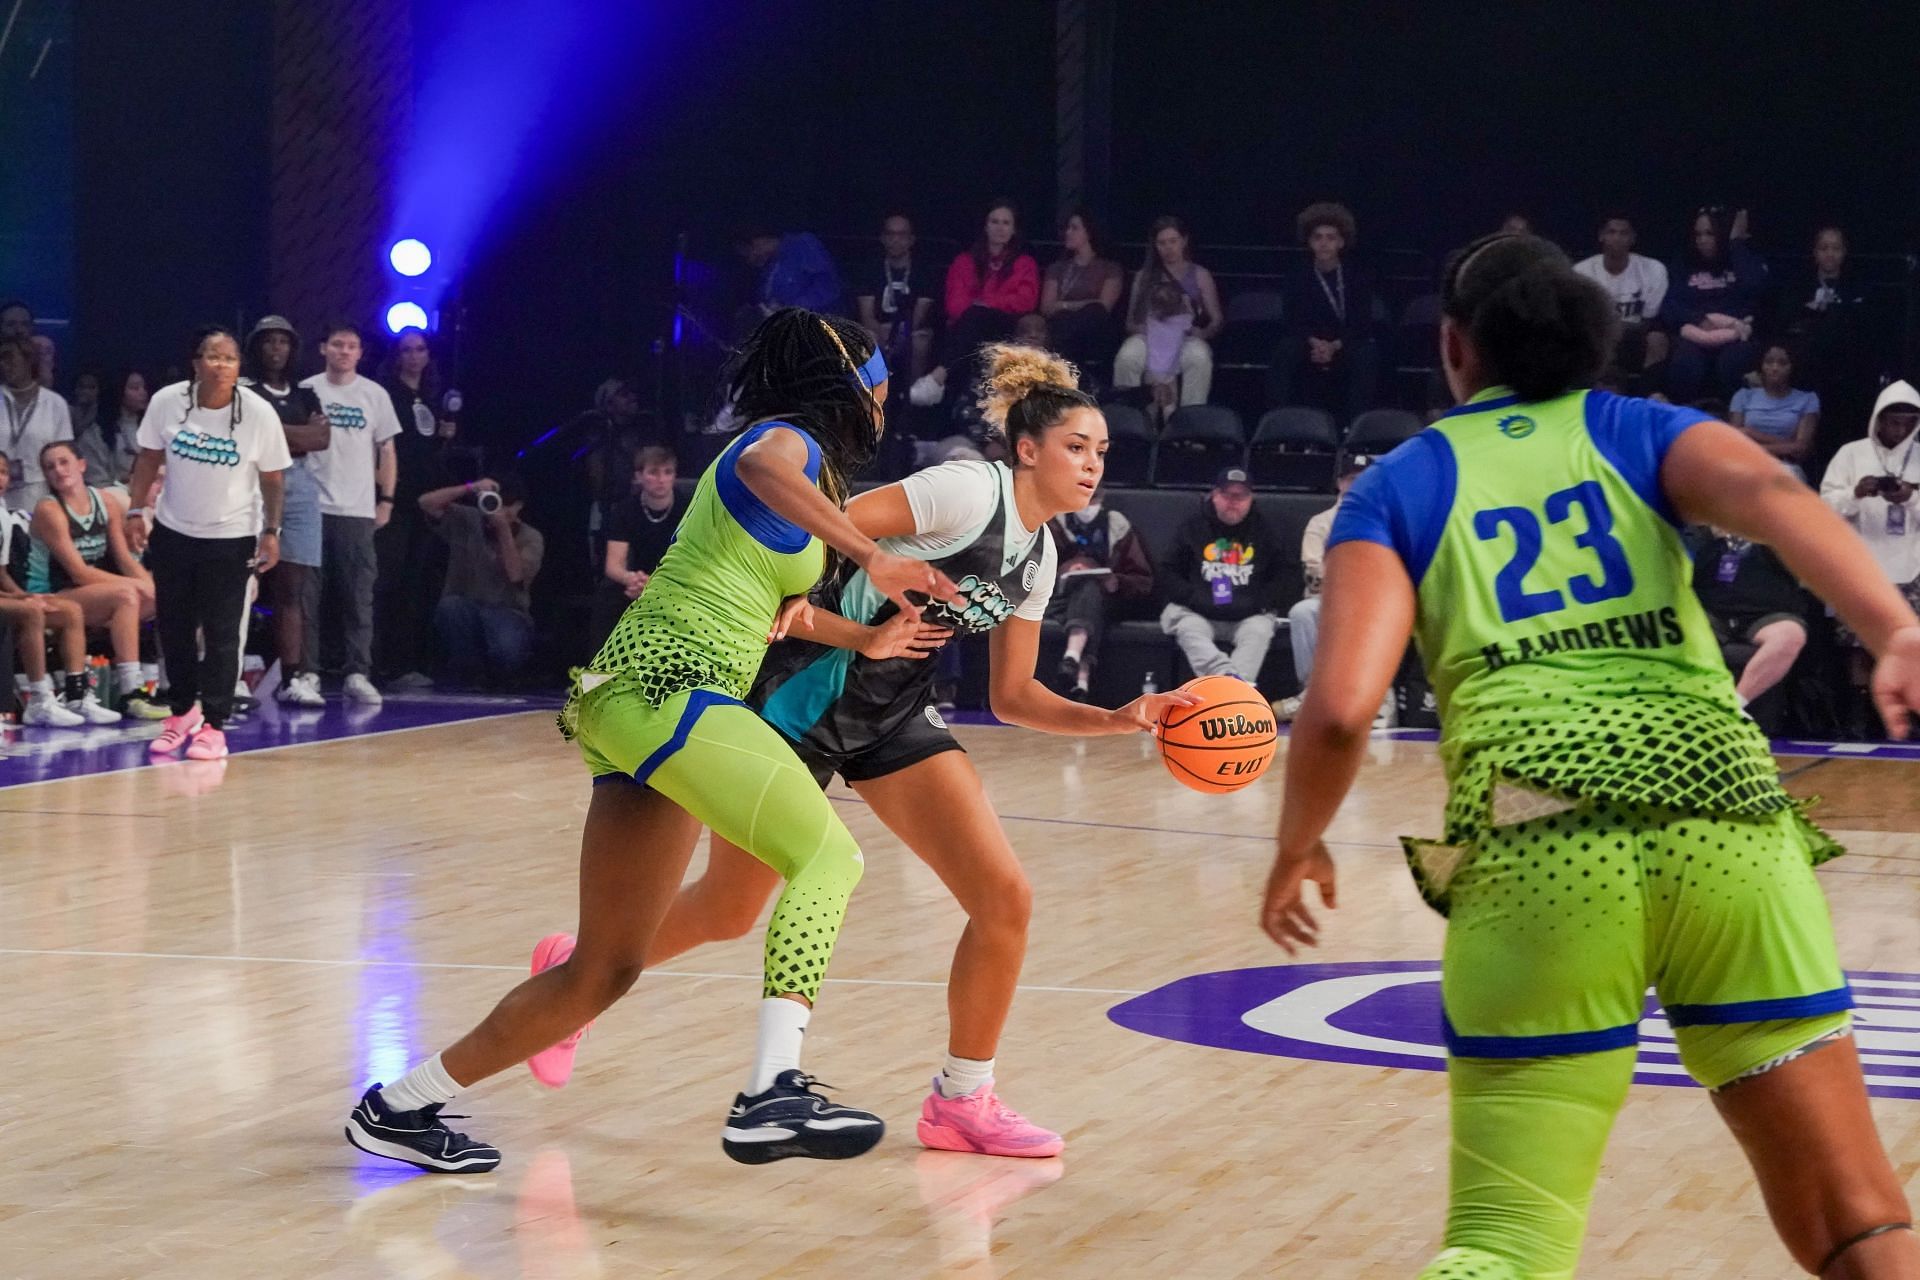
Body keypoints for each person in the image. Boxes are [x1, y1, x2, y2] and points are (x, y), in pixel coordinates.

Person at [1261, 231, 1920, 1278]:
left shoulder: (1399, 483)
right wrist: (1897, 631)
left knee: (1504, 1243)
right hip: (1729, 822)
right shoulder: (1646, 429)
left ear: (1453, 346)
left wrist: (1296, 846)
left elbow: (1341, 709)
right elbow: (1784, 503)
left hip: (1540, 826)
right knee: (1860, 1221)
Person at [523, 343, 1199, 1160]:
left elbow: (1013, 697)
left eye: (1101, 453)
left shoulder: (1042, 558)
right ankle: (575, 975)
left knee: (1004, 899)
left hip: (891, 715)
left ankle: (962, 1100)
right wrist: (795, 603)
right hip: (796, 700)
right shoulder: (962, 490)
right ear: (1028, 450)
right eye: (1076, 448)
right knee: (731, 910)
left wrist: (1121, 718)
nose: (1092, 465)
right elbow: (826, 523)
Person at [344, 308, 963, 1175]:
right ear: (851, 388)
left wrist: (864, 638)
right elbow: (759, 464)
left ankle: (396, 1107)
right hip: (670, 684)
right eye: (883, 385)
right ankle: (770, 1090)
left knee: (604, 970)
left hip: (637, 700)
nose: (890, 400)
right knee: (830, 861)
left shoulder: (800, 482)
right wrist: (870, 554)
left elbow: (778, 610)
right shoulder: (786, 442)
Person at [124, 327, 290, 762]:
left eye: (230, 358)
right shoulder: (166, 402)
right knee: (174, 628)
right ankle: (180, 713)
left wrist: (271, 531)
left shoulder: (257, 413)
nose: (221, 365)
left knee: (220, 633)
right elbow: (147, 458)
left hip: (230, 536)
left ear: (239, 367)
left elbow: (273, 478)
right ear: (196, 363)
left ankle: (214, 725)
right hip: (175, 530)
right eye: (212, 357)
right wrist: (134, 510)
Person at [300, 323, 400, 705]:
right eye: (337, 344)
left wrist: (386, 499)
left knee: (358, 595)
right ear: (324, 348)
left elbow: (387, 451)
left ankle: (358, 671)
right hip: (310, 506)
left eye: (352, 346)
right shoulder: (307, 390)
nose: (344, 351)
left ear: (360, 353)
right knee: (307, 594)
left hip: (357, 509)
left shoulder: (374, 395)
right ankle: (305, 672)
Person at [27, 441, 162, 720]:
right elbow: (79, 572)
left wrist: (152, 587)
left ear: (82, 465)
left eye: (64, 462)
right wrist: (135, 586)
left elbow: (124, 559)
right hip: (51, 594)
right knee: (126, 596)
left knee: (162, 597)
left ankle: (171, 682)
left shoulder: (105, 501)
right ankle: (131, 691)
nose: (58, 470)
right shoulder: (49, 510)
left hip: (91, 594)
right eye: (50, 467)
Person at [240, 316, 331, 709]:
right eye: (268, 342)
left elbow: (322, 438)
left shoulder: (307, 394)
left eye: (283, 342)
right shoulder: (245, 391)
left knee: (293, 589)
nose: (276, 349)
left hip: (300, 485)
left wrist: (276, 429)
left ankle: (293, 676)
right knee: (242, 585)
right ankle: (231, 675)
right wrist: (296, 435)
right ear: (257, 348)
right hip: (254, 481)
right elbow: (253, 437)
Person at [1819, 381, 1920, 728]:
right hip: (1861, 566)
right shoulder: (1851, 453)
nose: (1901, 429)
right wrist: (1856, 493)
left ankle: (1908, 720)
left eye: (1909, 422)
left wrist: (1909, 497)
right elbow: (1823, 508)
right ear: (1879, 419)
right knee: (1858, 646)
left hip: (1912, 565)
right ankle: (1858, 719)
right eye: (1894, 421)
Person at [1273, 454, 1390, 729]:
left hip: (1371, 600)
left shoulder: (1385, 520)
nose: (1358, 484)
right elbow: (1313, 568)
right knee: (1302, 611)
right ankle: (1313, 694)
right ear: (1340, 483)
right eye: (1352, 479)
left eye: (1364, 479)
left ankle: (1378, 700)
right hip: (1326, 598)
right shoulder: (1321, 522)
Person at [378, 328, 458, 687]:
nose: (414, 356)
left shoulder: (432, 396)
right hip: (396, 498)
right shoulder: (387, 396)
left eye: (420, 349)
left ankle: (410, 662)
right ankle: (383, 662)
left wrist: (445, 436)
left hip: (427, 501)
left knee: (418, 581)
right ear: (397, 356)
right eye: (407, 350)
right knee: (390, 580)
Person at [1157, 466, 1282, 687]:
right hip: (1198, 612)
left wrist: (1261, 601)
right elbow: (1168, 570)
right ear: (1214, 496)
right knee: (1185, 626)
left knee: (1260, 630)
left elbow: (1286, 573)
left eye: (1241, 496)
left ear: (1251, 499)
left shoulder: (1265, 529)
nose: (1233, 501)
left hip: (1248, 614)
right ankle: (1231, 682)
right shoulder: (1192, 526)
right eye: (1227, 494)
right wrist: (1192, 597)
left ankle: (1227, 690)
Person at [417, 474, 543, 687]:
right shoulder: (467, 519)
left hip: (508, 611)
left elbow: (516, 575)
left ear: (518, 506)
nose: (498, 508)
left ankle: (501, 676)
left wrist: (503, 530)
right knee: (450, 608)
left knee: (506, 647)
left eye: (506, 504)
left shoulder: (531, 537)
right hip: (467, 606)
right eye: (494, 501)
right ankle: (470, 673)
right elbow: (425, 503)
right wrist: (470, 487)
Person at [0, 456, 98, 728]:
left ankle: (77, 696)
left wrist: (22, 594)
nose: (1, 479)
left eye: (4, 472)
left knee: (68, 610)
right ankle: (39, 699)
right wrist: (20, 601)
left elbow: (2, 575)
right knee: (30, 611)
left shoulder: (3, 515)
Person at [1267, 203, 1382, 420]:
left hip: (1345, 341)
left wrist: (1334, 346)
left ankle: (1355, 427)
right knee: (1284, 352)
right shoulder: (1297, 275)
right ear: (1309, 242)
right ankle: (1278, 421)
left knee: (1367, 355)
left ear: (1341, 242)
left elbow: (1362, 322)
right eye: (1318, 237)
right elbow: (1292, 319)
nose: (1324, 244)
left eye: (1330, 238)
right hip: (1309, 341)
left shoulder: (1357, 276)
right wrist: (1315, 343)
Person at [1046, 482, 1153, 699]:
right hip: (1058, 599)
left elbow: (1143, 580)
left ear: (1102, 499)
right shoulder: (1053, 524)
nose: (1087, 506)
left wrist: (1117, 581)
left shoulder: (1117, 526)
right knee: (1088, 596)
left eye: (1092, 500)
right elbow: (1030, 571)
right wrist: (1064, 570)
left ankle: (1072, 659)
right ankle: (1081, 679)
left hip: (1111, 600)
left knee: (1091, 590)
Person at [1689, 525, 1810, 718]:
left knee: (1790, 636)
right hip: (1711, 612)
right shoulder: (1699, 534)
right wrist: (1710, 535)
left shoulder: (1774, 532)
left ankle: (1735, 704)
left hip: (1765, 615)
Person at [1114, 216, 1221, 408]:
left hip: (1184, 338)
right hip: (1150, 336)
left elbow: (1216, 319)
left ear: (1184, 241)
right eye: (1162, 243)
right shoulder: (1144, 277)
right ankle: (1130, 416)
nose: (1168, 248)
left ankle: (1191, 420)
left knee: (1199, 357)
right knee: (1127, 356)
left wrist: (1203, 333)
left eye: (1173, 241)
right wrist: (1148, 331)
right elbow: (1130, 322)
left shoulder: (1200, 275)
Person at [1662, 207, 1767, 402]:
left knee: (1733, 363)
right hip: (1696, 331)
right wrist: (1698, 319)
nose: (1702, 240)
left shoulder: (1743, 260)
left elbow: (1756, 290)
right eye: (1698, 234)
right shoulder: (1683, 263)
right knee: (1685, 363)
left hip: (1735, 333)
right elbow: (1671, 305)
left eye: (1709, 234)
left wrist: (1736, 245)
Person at [589, 445, 687, 650]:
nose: (661, 479)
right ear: (639, 476)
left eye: (668, 473)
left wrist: (659, 586)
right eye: (653, 472)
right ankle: (600, 678)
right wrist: (632, 580)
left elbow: (698, 560)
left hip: (682, 580)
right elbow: (613, 565)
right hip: (640, 579)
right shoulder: (625, 510)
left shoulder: (690, 507)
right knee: (607, 602)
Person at [941, 200, 1041, 400]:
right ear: (986, 226)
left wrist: (987, 304)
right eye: (995, 222)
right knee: (971, 321)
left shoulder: (1024, 263)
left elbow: (1025, 301)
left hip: (1005, 326)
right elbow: (954, 305)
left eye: (1006, 223)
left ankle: (939, 375)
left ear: (1014, 229)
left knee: (976, 316)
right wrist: (986, 306)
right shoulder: (964, 261)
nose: (1000, 228)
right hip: (966, 327)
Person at [1572, 214, 1670, 382]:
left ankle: (1649, 392)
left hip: (1636, 337)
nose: (1617, 238)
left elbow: (1651, 320)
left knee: (1657, 338)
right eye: (1611, 232)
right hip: (1597, 338)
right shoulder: (1581, 272)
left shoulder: (1653, 269)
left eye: (1624, 233)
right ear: (1601, 236)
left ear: (1633, 239)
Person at [854, 214, 937, 384]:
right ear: (883, 238)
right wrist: (883, 332)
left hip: (909, 330)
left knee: (921, 339)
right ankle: (873, 398)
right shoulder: (870, 269)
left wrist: (897, 333)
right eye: (891, 235)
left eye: (901, 235)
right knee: (867, 337)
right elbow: (867, 316)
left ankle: (913, 399)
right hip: (878, 329)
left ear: (911, 239)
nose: (895, 240)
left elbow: (919, 316)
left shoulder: (923, 271)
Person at [1040, 209, 1124, 375]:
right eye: (1067, 228)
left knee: (1091, 313)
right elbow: (1047, 307)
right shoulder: (1057, 268)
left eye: (1074, 228)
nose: (1068, 233)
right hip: (1061, 325)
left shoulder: (1110, 268)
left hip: (1095, 329)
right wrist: (1082, 304)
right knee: (1063, 321)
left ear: (1089, 232)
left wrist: (1064, 305)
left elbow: (1103, 306)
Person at [1, 335, 72, 512]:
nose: (3, 364)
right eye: (1, 358)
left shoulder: (55, 403)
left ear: (28, 360)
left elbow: (64, 456)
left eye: (10, 357)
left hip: (40, 494)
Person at [1729, 344, 1819, 479]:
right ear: (1761, 366)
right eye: (1769, 362)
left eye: (1782, 363)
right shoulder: (1743, 396)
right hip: (1745, 463)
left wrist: (1750, 433)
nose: (1775, 368)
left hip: (1786, 465)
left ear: (1792, 367)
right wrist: (1787, 445)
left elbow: (1801, 449)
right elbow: (1734, 441)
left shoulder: (1807, 399)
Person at [735, 226, 845, 319]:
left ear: (758, 242)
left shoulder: (802, 244)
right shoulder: (768, 269)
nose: (749, 260)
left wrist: (791, 309)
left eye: (747, 253)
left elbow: (828, 287)